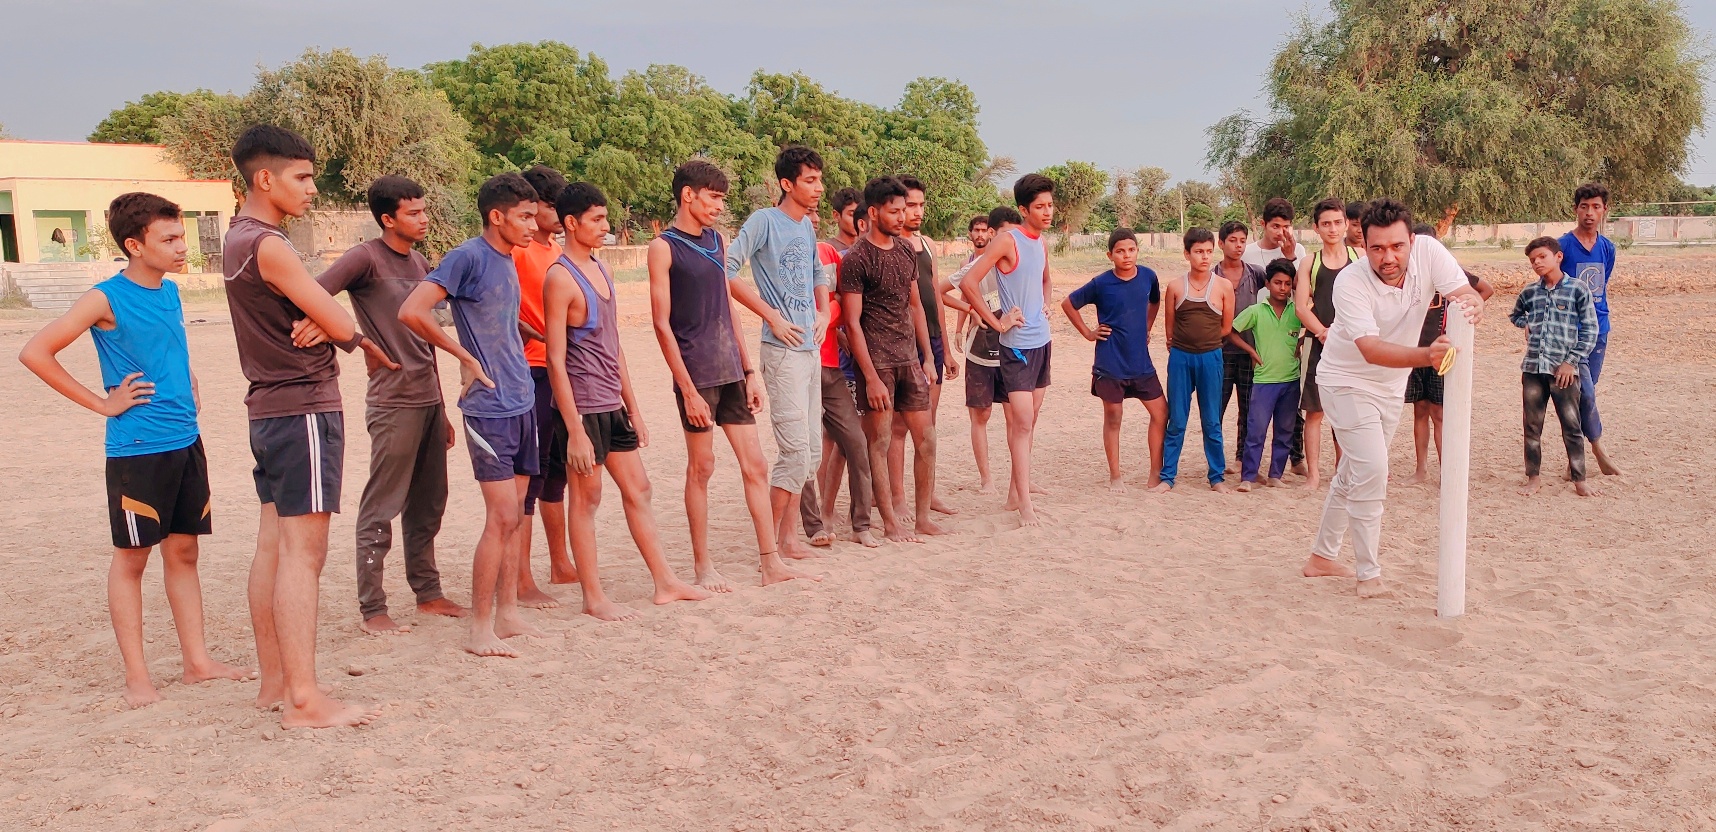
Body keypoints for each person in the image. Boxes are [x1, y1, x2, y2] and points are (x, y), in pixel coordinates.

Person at [18, 192, 253, 709]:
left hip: (186, 440)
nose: (182, 247)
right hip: (138, 449)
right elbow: (35, 352)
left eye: (181, 236)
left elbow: (164, 348)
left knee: (184, 551)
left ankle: (197, 663)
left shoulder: (170, 291)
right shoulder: (104, 299)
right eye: (169, 239)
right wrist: (104, 404)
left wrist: (188, 376)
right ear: (134, 245)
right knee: (132, 559)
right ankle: (137, 677)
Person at [223, 125, 378, 726]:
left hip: (269, 409)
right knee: (302, 555)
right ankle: (305, 699)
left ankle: (276, 683)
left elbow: (327, 314)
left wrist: (328, 317)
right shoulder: (270, 245)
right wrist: (335, 323)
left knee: (274, 547)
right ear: (265, 178)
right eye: (303, 177)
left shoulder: (237, 239)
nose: (313, 188)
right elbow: (339, 323)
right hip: (303, 407)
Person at [542, 182, 713, 620]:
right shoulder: (560, 278)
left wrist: (633, 408)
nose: (606, 226)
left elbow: (614, 346)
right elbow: (555, 360)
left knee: (639, 489)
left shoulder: (603, 269)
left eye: (605, 218)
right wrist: (574, 430)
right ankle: (593, 597)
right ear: (571, 223)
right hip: (582, 409)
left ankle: (665, 582)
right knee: (587, 500)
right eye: (597, 219)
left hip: (611, 405)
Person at [1302, 199, 1484, 598]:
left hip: (1389, 387)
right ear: (1363, 245)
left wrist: (1474, 304)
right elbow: (1370, 349)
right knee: (1372, 471)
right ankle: (1368, 575)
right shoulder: (1350, 282)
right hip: (1345, 381)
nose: (1388, 257)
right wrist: (1427, 356)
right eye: (1377, 248)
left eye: (1397, 246)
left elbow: (1464, 293)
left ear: (1412, 241)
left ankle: (1321, 558)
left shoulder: (1430, 252)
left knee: (1354, 471)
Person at [648, 160, 816, 587]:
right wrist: (687, 389)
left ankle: (770, 562)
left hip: (730, 370)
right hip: (697, 373)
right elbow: (661, 324)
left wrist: (748, 370)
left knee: (755, 465)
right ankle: (703, 567)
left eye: (722, 198)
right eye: (714, 197)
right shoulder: (663, 247)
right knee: (701, 468)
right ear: (688, 195)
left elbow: (728, 309)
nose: (720, 206)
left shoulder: (718, 241)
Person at [399, 173, 546, 658]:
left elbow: (495, 312)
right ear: (496, 216)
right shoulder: (467, 256)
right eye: (525, 216)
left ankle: (508, 614)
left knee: (516, 516)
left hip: (522, 398)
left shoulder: (507, 258)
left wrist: (529, 331)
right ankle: (479, 628)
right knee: (501, 516)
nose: (533, 224)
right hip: (489, 408)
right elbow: (412, 311)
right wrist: (463, 355)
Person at [316, 176, 466, 634]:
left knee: (429, 502)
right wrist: (354, 341)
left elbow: (427, 339)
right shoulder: (364, 258)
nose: (424, 219)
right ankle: (373, 608)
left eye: (424, 210)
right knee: (382, 506)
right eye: (413, 213)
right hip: (393, 402)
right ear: (387, 218)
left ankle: (428, 593)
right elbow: (311, 297)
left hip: (427, 401)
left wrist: (442, 409)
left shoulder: (420, 262)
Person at [725, 146, 831, 561]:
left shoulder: (806, 226)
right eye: (810, 180)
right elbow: (726, 270)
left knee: (811, 452)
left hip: (810, 349)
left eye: (820, 179)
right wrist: (771, 315)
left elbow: (817, 272)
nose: (818, 187)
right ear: (787, 183)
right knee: (795, 452)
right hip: (782, 351)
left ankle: (788, 539)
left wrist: (823, 312)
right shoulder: (764, 221)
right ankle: (768, 547)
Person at [839, 176, 943, 540]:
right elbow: (852, 323)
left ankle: (923, 518)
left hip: (909, 360)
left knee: (927, 439)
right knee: (880, 442)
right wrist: (869, 377)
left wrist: (927, 357)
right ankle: (889, 521)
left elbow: (916, 306)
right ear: (873, 212)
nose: (902, 217)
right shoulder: (856, 258)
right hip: (877, 363)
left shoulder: (906, 251)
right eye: (894, 211)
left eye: (904, 210)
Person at [957, 175, 1057, 525]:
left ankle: (1017, 493)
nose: (1048, 212)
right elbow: (968, 282)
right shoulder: (1006, 241)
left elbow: (1045, 279)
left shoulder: (1041, 242)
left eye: (1050, 205)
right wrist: (996, 322)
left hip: (1042, 342)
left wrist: (1046, 304)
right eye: (1040, 206)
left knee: (1030, 422)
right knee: (1022, 424)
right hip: (1016, 348)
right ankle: (1024, 504)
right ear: (1023, 209)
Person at [1061, 228, 1165, 491]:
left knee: (1161, 413)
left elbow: (1155, 302)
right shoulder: (1101, 283)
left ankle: (1155, 472)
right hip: (1110, 363)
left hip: (1141, 363)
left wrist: (1147, 327)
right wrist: (1088, 333)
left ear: (1137, 250)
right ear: (1110, 255)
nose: (1126, 255)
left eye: (1131, 250)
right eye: (1120, 251)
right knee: (1114, 416)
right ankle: (1115, 476)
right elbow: (1068, 304)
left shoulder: (1149, 276)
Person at [513, 165, 575, 600]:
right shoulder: (517, 253)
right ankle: (521, 577)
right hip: (531, 370)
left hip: (562, 372)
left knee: (557, 472)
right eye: (552, 206)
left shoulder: (556, 250)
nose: (557, 214)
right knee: (529, 476)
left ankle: (559, 563)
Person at [800, 228, 881, 548]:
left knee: (856, 442)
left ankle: (861, 524)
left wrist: (825, 318)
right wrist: (827, 316)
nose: (810, 218)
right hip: (796, 362)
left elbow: (841, 302)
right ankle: (814, 525)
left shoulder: (828, 254)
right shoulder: (778, 253)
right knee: (803, 447)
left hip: (830, 365)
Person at [887, 176, 957, 521]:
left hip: (933, 341)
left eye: (920, 205)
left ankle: (926, 495)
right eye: (910, 205)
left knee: (928, 423)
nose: (916, 212)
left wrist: (946, 348)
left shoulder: (927, 244)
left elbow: (936, 299)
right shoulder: (889, 245)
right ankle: (897, 498)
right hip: (902, 343)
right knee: (899, 426)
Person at [1402, 224, 1494, 484]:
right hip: (1415, 350)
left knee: (1439, 413)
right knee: (1419, 410)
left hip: (1442, 350)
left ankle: (1446, 472)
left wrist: (1464, 314)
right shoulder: (1409, 274)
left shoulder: (1451, 273)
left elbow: (1485, 289)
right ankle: (1421, 469)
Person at [1512, 237, 1598, 497]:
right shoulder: (1530, 292)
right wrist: (1525, 323)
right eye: (1532, 260)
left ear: (1558, 257)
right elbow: (1515, 314)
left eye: (1542, 257)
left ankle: (1579, 479)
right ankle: (1533, 478)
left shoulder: (1578, 289)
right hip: (1533, 369)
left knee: (1572, 426)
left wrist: (1570, 363)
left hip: (1563, 372)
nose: (1537, 263)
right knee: (1532, 426)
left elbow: (1590, 330)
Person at [1152, 228, 1236, 493]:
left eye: (1209, 251)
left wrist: (1205, 343)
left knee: (1211, 420)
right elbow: (1169, 328)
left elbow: (1226, 327)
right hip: (1181, 358)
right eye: (1199, 252)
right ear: (1187, 254)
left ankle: (1216, 477)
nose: (1205, 257)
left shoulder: (1223, 287)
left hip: (1211, 358)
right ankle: (1167, 477)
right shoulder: (1176, 287)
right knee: (1177, 419)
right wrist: (1182, 346)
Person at [940, 207, 1016, 493]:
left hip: (1012, 348)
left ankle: (1020, 479)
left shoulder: (1019, 263)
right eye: (979, 230)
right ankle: (987, 479)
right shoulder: (972, 265)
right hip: (980, 349)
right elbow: (943, 291)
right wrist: (969, 313)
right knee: (981, 414)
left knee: (1016, 416)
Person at [1293, 197, 1360, 491]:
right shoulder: (1310, 262)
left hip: (1353, 345)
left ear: (1346, 224)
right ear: (1316, 228)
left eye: (1337, 222)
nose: (1332, 229)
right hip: (1318, 344)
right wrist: (1322, 332)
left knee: (1345, 413)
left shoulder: (1360, 258)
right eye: (1326, 224)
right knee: (1315, 411)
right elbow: (1301, 306)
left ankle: (1341, 472)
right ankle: (1313, 475)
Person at [1558, 182, 1622, 476]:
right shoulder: (1562, 246)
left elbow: (1602, 284)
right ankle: (1597, 449)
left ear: (1605, 210)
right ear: (1575, 209)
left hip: (1599, 328)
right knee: (1584, 394)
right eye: (1584, 206)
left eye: (1596, 207)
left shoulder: (1607, 248)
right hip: (1571, 333)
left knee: (1585, 393)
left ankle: (1574, 459)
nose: (1589, 213)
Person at [1228, 259, 1303, 491]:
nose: (1282, 288)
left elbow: (1311, 327)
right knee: (1256, 430)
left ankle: (1275, 476)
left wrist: (1300, 342)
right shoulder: (1256, 311)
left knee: (1285, 431)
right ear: (1267, 284)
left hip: (1291, 380)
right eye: (1277, 282)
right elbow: (1231, 331)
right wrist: (1251, 351)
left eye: (1287, 283)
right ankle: (1248, 477)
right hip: (1263, 381)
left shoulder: (1297, 311)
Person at [1214, 220, 1267, 472]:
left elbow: (1283, 283)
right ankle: (1216, 459)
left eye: (1242, 241)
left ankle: (1241, 458)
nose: (1238, 246)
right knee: (1216, 408)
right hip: (1219, 352)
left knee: (1248, 409)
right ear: (1221, 243)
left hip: (1249, 351)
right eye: (1232, 241)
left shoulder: (1255, 273)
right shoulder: (1212, 276)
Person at [1243, 197, 1305, 270]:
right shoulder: (1246, 253)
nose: (1280, 233)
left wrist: (1291, 257)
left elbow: (1301, 276)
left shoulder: (1297, 250)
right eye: (1276, 226)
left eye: (1285, 227)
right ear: (1263, 224)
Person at [828, 187, 862, 253]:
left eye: (860, 214)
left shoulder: (867, 249)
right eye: (852, 215)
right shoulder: (828, 250)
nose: (857, 220)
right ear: (836, 216)